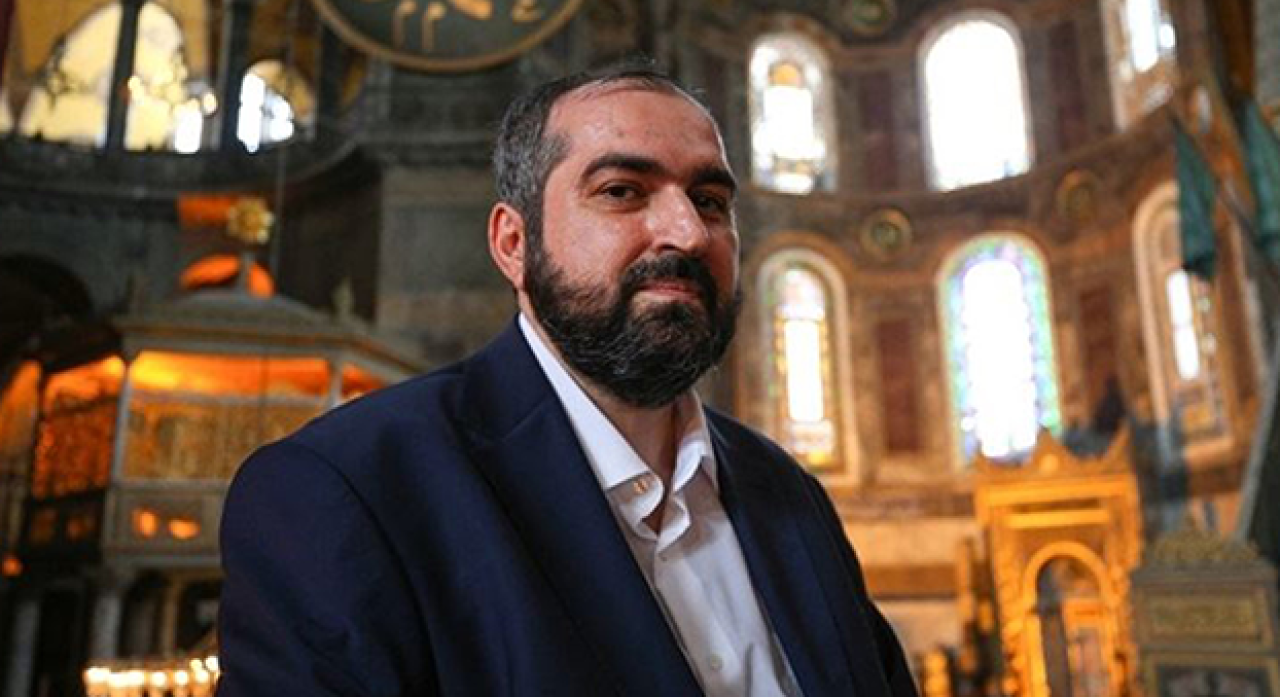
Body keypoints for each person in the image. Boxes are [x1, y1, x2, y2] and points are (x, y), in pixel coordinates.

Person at [216, 64, 917, 696]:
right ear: (514, 244)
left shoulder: (787, 494)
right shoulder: (350, 491)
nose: (688, 232)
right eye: (622, 192)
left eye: (709, 200)